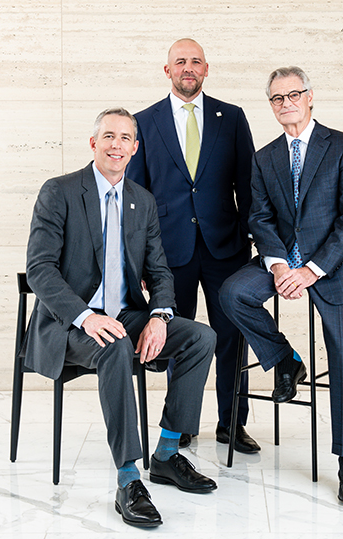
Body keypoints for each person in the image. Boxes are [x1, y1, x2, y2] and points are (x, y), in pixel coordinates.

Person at [24, 108, 218, 528]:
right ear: (93, 144)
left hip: (125, 316)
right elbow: (40, 268)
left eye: (125, 137)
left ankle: (166, 453)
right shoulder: (59, 192)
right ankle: (129, 478)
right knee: (114, 345)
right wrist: (84, 317)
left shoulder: (141, 201)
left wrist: (160, 317)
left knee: (201, 337)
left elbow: (161, 271)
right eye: (108, 136)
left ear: (135, 147)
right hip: (69, 325)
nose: (116, 144)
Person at [219, 66, 343, 504]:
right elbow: (260, 217)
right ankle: (285, 359)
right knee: (233, 293)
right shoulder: (265, 156)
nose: (286, 102)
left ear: (311, 97)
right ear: (270, 106)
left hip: (337, 265)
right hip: (281, 261)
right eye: (276, 98)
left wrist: (311, 270)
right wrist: (276, 267)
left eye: (294, 94)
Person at [126, 38, 259, 454]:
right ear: (167, 70)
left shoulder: (231, 118)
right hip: (170, 253)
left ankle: (232, 425)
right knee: (178, 338)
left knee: (231, 339)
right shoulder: (144, 122)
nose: (188, 67)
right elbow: (138, 195)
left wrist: (250, 238)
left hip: (227, 249)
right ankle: (180, 424)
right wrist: (145, 261)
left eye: (195, 61)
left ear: (206, 69)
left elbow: (248, 185)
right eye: (180, 61)